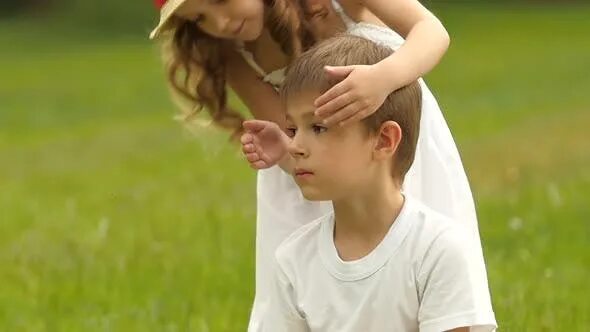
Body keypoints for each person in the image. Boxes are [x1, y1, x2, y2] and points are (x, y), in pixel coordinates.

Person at [149, 1, 487, 329]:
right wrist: (284, 147)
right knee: (323, 285)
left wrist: (382, 79)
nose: (219, 23)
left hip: (382, 143)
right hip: (314, 172)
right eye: (200, 18)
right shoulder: (232, 51)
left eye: (220, 1)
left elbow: (431, 31)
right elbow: (291, 140)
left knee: (411, 259)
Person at [261, 34, 496, 331]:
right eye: (292, 129)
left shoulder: (438, 249)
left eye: (318, 128)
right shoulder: (292, 261)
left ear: (384, 140)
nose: (295, 146)